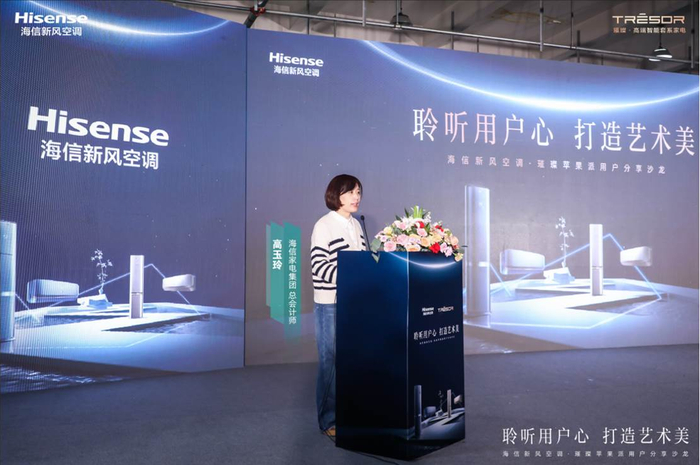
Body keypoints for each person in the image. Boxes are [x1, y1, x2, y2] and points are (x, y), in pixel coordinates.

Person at [310, 174, 366, 438]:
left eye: (358, 192)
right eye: (350, 192)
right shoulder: (324, 225)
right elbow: (319, 267)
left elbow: (362, 264)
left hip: (355, 303)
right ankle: (329, 420)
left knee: (352, 359)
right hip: (330, 304)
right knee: (330, 362)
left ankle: (351, 413)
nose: (356, 197)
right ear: (336, 195)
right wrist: (352, 277)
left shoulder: (357, 225)